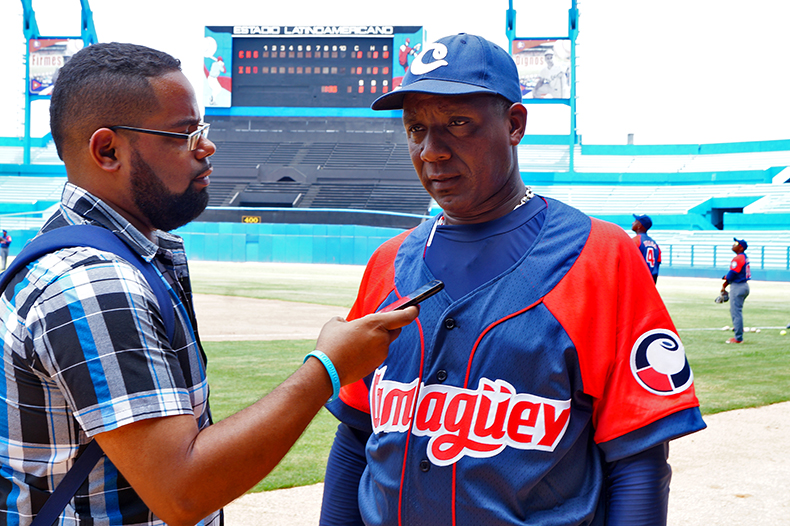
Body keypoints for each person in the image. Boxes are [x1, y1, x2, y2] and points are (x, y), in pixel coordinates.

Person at [0, 42, 418, 526]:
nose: (206, 146)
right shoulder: (93, 282)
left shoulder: (104, 250)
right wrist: (328, 368)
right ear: (107, 150)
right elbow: (183, 492)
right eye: (183, 134)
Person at [319, 33, 706, 526]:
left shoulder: (602, 256)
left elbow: (638, 460)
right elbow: (357, 435)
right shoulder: (388, 261)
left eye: (458, 123)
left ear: (515, 124)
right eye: (416, 128)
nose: (431, 151)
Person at [722, 237, 751, 344]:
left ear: (740, 247)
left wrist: (724, 284)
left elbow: (732, 275)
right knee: (737, 310)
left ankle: (738, 338)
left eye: (736, 243)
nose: (733, 245)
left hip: (738, 286)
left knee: (736, 312)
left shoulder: (738, 258)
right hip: (744, 286)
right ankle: (738, 327)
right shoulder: (744, 257)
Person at [631, 213, 661, 283]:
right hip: (650, 282)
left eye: (635, 221)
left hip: (638, 281)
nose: (633, 223)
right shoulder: (655, 244)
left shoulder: (635, 241)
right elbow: (657, 265)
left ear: (639, 225)